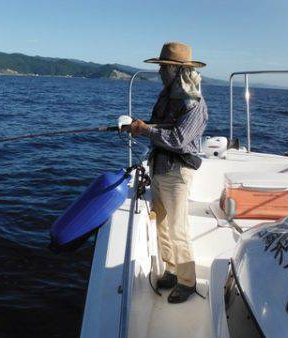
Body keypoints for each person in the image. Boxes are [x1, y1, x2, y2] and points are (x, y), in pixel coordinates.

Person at [129, 42, 208, 303]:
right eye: (161, 66)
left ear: (177, 69)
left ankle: (188, 281)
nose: (161, 71)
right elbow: (158, 124)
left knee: (178, 227)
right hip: (160, 166)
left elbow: (178, 139)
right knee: (161, 223)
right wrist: (138, 126)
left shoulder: (194, 104)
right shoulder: (166, 96)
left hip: (177, 172)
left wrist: (146, 130)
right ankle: (172, 272)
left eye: (165, 67)